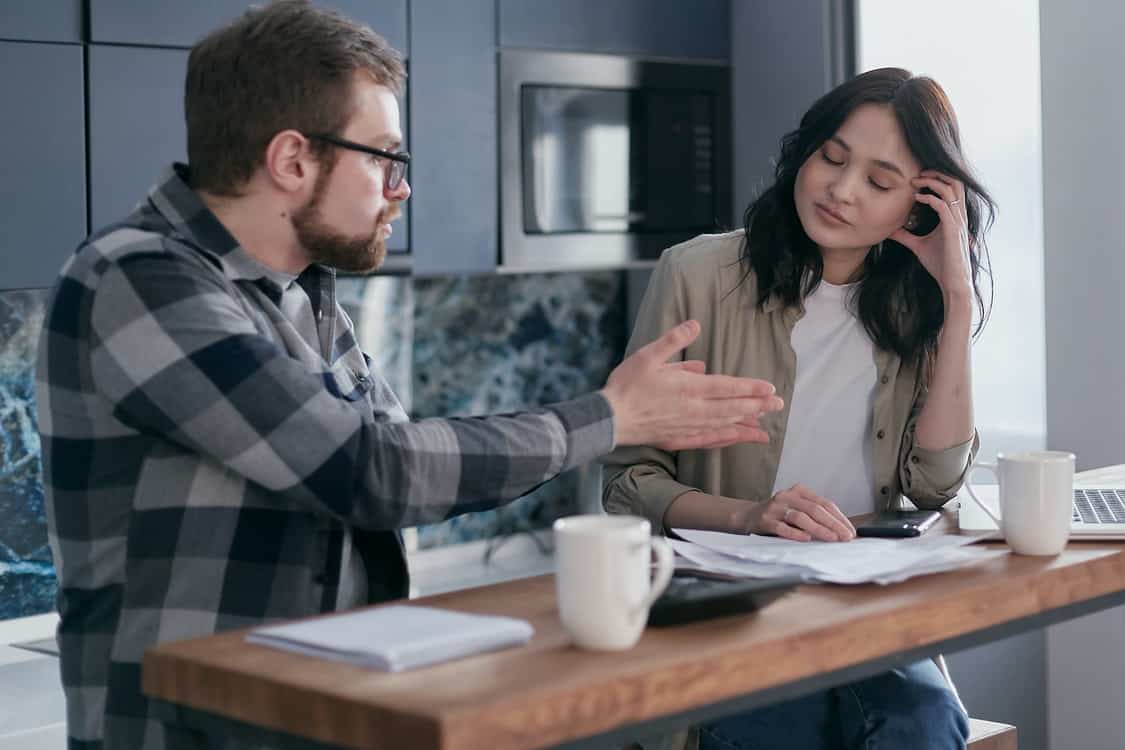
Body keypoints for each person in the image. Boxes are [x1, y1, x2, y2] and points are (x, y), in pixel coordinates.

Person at [35, 3, 786, 749]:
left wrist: (610, 418)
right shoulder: (138, 279)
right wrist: (610, 418)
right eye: (385, 158)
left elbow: (404, 465)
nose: (402, 188)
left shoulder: (304, 292)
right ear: (293, 159)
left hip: (312, 710)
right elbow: (369, 469)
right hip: (186, 730)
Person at [603, 67, 997, 749]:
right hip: (730, 612)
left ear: (917, 208)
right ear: (804, 152)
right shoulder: (698, 274)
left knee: (925, 721)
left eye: (877, 182)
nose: (840, 191)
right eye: (831, 158)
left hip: (862, 609)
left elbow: (930, 485)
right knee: (781, 725)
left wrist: (956, 302)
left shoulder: (915, 305)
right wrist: (750, 517)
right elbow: (627, 483)